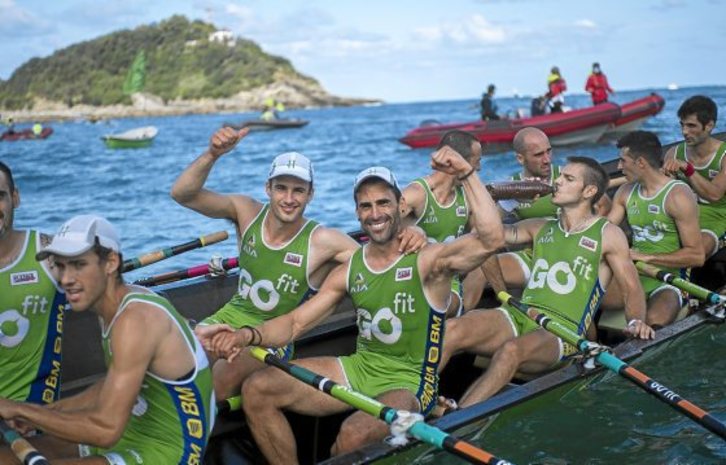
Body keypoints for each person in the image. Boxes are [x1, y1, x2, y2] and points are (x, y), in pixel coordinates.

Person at [203, 148, 504, 464]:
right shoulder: (350, 269)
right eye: (366, 206)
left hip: (409, 381)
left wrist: (467, 174)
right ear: (358, 214)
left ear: (401, 205)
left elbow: (492, 239)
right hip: (359, 368)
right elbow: (294, 324)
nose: (375, 213)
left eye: (383, 203)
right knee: (258, 389)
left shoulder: (430, 259)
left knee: (352, 436)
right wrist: (246, 335)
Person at [171, 127, 425, 400]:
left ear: (310, 194)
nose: (289, 199)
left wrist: (414, 231)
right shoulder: (245, 211)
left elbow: (379, 266)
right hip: (225, 319)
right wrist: (212, 154)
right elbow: (182, 194)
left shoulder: (325, 240)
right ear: (268, 188)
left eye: (298, 191)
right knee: (168, 359)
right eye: (281, 188)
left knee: (218, 380)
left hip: (272, 339)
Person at [0, 214, 215, 463]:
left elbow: (106, 430)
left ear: (111, 263)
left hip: (169, 451)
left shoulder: (135, 320)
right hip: (134, 433)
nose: (66, 279)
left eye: (79, 265)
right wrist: (39, 413)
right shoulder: (114, 306)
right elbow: (108, 387)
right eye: (61, 266)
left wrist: (20, 409)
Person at [442, 156, 655, 407]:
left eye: (568, 178)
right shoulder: (539, 226)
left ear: (589, 191)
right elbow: (485, 234)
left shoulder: (608, 234)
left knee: (511, 351)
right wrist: (508, 201)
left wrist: (636, 321)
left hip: (562, 332)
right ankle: (419, 403)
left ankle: (457, 418)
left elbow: (631, 287)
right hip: (521, 314)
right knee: (451, 329)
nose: (558, 181)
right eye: (560, 175)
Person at [462, 127, 611, 309]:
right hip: (534, 257)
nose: (547, 159)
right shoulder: (512, 187)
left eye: (549, 151)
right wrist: (510, 203)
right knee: (478, 270)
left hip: (572, 256)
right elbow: (484, 230)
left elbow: (604, 205)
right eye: (538, 155)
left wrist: (587, 241)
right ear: (520, 158)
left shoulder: (567, 178)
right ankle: (504, 305)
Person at [602, 131, 704, 327]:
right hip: (633, 274)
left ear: (641, 162)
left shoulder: (677, 196)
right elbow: (604, 231)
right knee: (586, 299)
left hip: (669, 281)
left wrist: (647, 257)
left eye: (623, 161)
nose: (619, 167)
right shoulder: (625, 192)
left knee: (652, 323)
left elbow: (697, 256)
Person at [0, 162, 65, 406]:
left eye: (0, 196)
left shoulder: (49, 252)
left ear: (15, 198)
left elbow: (106, 289)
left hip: (30, 412)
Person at [400, 129, 482, 316]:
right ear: (458, 162)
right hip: (414, 278)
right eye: (477, 162)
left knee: (483, 258)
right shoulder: (415, 195)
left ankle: (461, 315)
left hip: (448, 282)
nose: (479, 169)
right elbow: (382, 230)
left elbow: (488, 240)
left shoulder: (468, 198)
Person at [663, 95, 726, 260]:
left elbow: (715, 195)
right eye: (682, 125)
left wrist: (688, 169)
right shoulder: (673, 153)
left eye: (691, 126)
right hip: (683, 215)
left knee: (696, 253)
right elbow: (662, 191)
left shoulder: (724, 156)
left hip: (718, 216)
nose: (684, 132)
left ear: (709, 126)